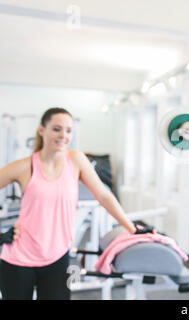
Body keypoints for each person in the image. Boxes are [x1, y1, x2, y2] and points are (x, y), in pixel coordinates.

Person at [0, 107, 142, 300]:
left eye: (68, 130)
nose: (63, 135)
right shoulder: (25, 166)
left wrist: (132, 229)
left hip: (58, 257)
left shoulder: (76, 160)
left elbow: (104, 196)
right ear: (42, 130)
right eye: (56, 129)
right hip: (18, 258)